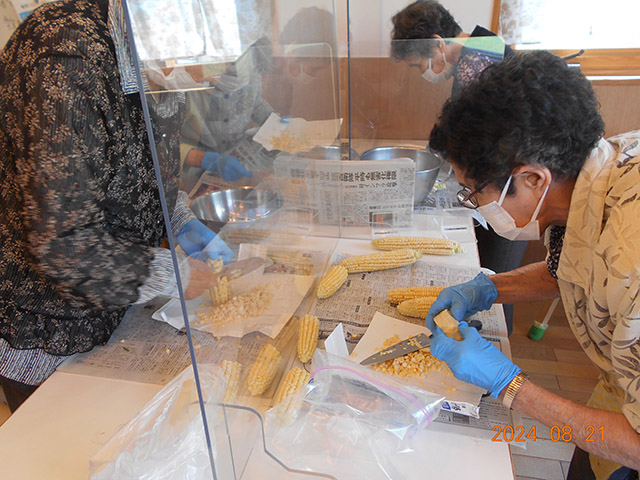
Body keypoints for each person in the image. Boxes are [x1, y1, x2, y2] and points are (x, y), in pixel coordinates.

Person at [0, 0, 232, 411]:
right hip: (45, 331)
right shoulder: (64, 60)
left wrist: (178, 218)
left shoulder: (159, 59)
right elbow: (64, 245)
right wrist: (172, 274)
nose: (206, 74)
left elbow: (145, 168)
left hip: (114, 315)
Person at [427, 50, 640, 478]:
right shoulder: (598, 170)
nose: (475, 204)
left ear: (532, 179)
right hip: (617, 395)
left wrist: (510, 386)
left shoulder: (630, 259)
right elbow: (575, 268)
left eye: (475, 192)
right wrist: (490, 289)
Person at [390, 0, 525, 334]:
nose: (423, 73)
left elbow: (472, 139)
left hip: (513, 192)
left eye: (418, 65)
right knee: (494, 281)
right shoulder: (482, 45)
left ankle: (495, 347)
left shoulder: (476, 63)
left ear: (438, 43)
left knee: (498, 282)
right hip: (503, 186)